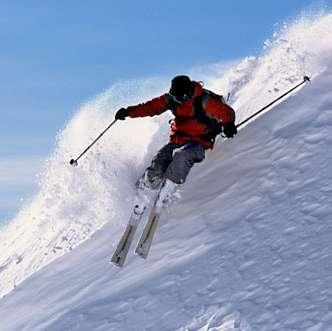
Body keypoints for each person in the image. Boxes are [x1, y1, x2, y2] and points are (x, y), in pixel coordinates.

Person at [115, 75, 237, 208]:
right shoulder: (171, 99)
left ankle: (168, 190)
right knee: (159, 160)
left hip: (200, 142)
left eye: (181, 98)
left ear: (188, 94)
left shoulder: (203, 100)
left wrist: (229, 124)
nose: (179, 102)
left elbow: (226, 112)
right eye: (176, 98)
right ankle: (141, 193)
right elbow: (150, 107)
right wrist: (128, 112)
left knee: (182, 156)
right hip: (179, 139)